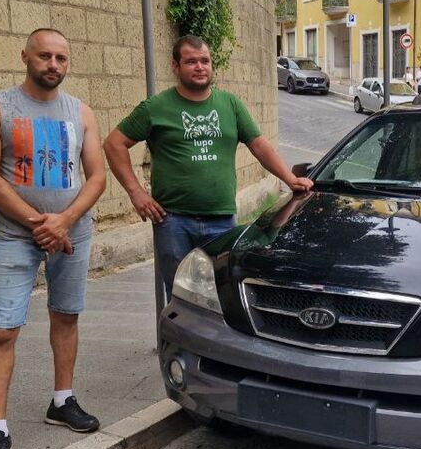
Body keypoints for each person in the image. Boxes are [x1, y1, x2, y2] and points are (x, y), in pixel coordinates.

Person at [0, 28, 107, 449]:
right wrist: (41, 224)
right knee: (1, 332)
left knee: (66, 315)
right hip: (15, 236)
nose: (54, 65)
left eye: (62, 58)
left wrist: (64, 222)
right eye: (45, 56)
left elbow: (96, 178)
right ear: (25, 56)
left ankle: (62, 400)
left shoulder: (81, 112)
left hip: (73, 232)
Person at [104, 35, 314, 297]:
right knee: (181, 296)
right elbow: (114, 144)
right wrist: (136, 193)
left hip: (222, 220)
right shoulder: (156, 107)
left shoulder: (230, 105)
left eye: (205, 60)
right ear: (175, 66)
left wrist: (288, 178)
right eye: (191, 61)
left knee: (222, 295)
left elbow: (259, 144)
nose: (200, 67)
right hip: (172, 221)